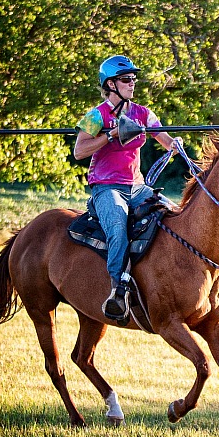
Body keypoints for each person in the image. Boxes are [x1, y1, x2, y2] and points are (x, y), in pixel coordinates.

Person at [74, 55, 179, 322]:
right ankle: (118, 290)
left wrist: (173, 144)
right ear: (110, 84)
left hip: (138, 187)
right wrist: (109, 135)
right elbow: (79, 150)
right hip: (107, 188)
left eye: (133, 79)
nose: (132, 83)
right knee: (118, 228)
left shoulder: (143, 113)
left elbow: (161, 135)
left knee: (175, 213)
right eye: (126, 79)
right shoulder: (95, 115)